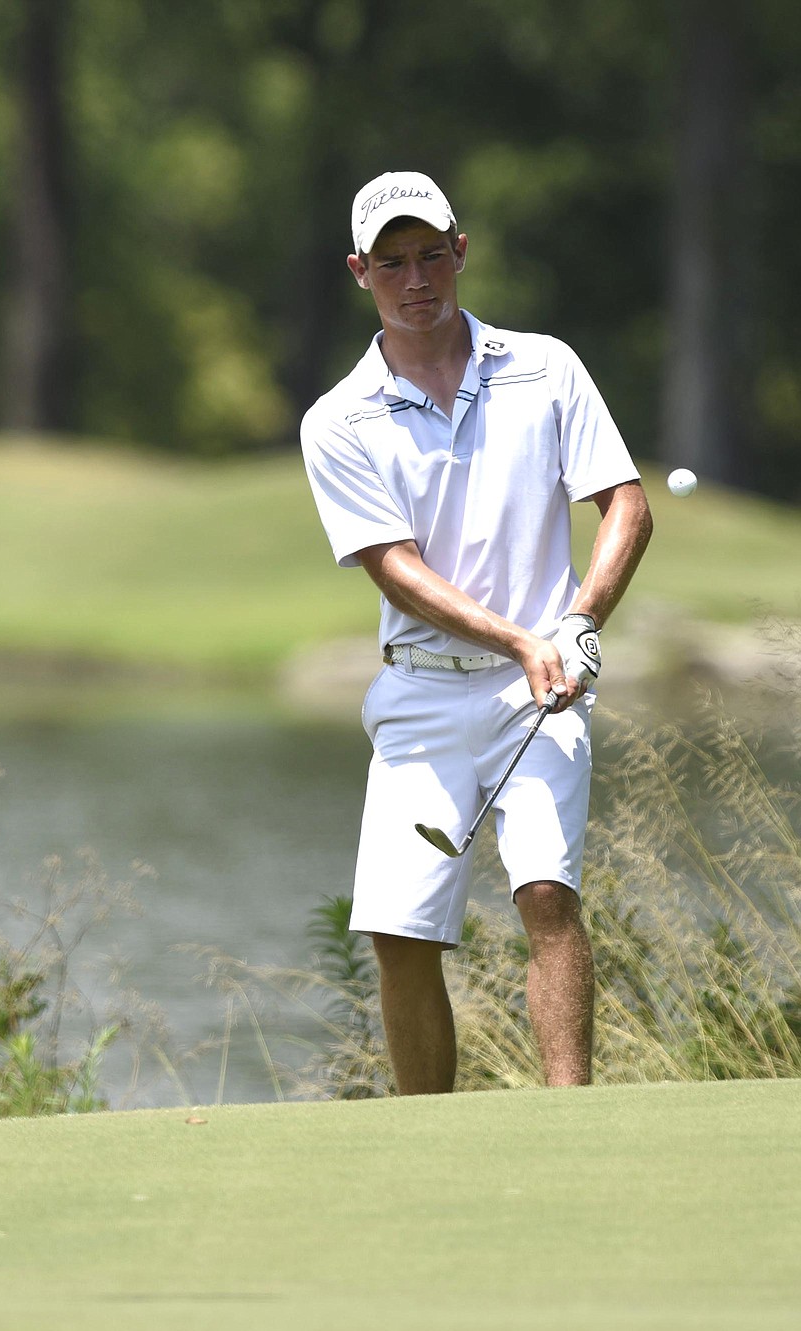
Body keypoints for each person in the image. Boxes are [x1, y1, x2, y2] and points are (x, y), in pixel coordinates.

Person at [300, 170, 653, 1094]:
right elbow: (396, 568)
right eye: (391, 262)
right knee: (401, 932)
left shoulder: (546, 366)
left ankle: (564, 1122)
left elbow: (624, 503)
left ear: (461, 251)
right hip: (422, 692)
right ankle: (429, 1142)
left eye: (429, 254)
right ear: (358, 272)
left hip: (540, 684)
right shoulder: (338, 419)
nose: (415, 278)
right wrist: (522, 638)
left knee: (546, 893)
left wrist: (576, 623)